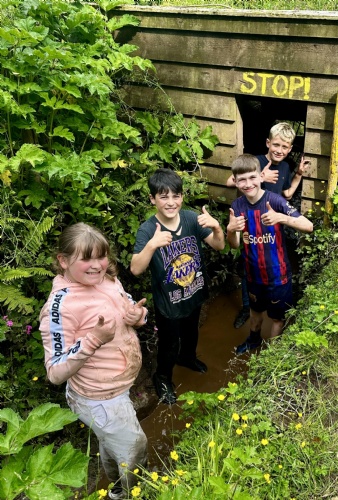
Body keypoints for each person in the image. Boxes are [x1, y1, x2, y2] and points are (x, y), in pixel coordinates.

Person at [39, 223, 148, 500]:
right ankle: (131, 494)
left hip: (117, 389)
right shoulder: (60, 306)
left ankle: (116, 487)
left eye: (101, 256)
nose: (97, 265)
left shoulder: (108, 279)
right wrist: (93, 340)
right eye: (86, 259)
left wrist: (137, 316)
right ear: (63, 260)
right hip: (98, 399)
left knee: (114, 444)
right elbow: (55, 372)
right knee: (135, 449)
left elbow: (127, 304)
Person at [130, 168, 225, 405]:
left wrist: (217, 228)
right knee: (169, 344)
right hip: (168, 302)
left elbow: (219, 246)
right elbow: (135, 268)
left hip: (193, 292)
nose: (171, 202)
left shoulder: (192, 219)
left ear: (182, 197)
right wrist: (152, 245)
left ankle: (187, 358)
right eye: (164, 197)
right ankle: (162, 377)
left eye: (176, 196)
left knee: (192, 333)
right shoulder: (148, 229)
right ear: (152, 199)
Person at [226, 154, 313, 354]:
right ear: (235, 182)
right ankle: (253, 341)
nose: (248, 184)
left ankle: (271, 356)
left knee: (277, 318)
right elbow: (234, 244)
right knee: (255, 313)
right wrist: (230, 230)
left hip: (278, 276)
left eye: (252, 177)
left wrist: (281, 217)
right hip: (253, 275)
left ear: (261, 176)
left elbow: (308, 226)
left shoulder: (275, 200)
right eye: (242, 180)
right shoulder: (237, 206)